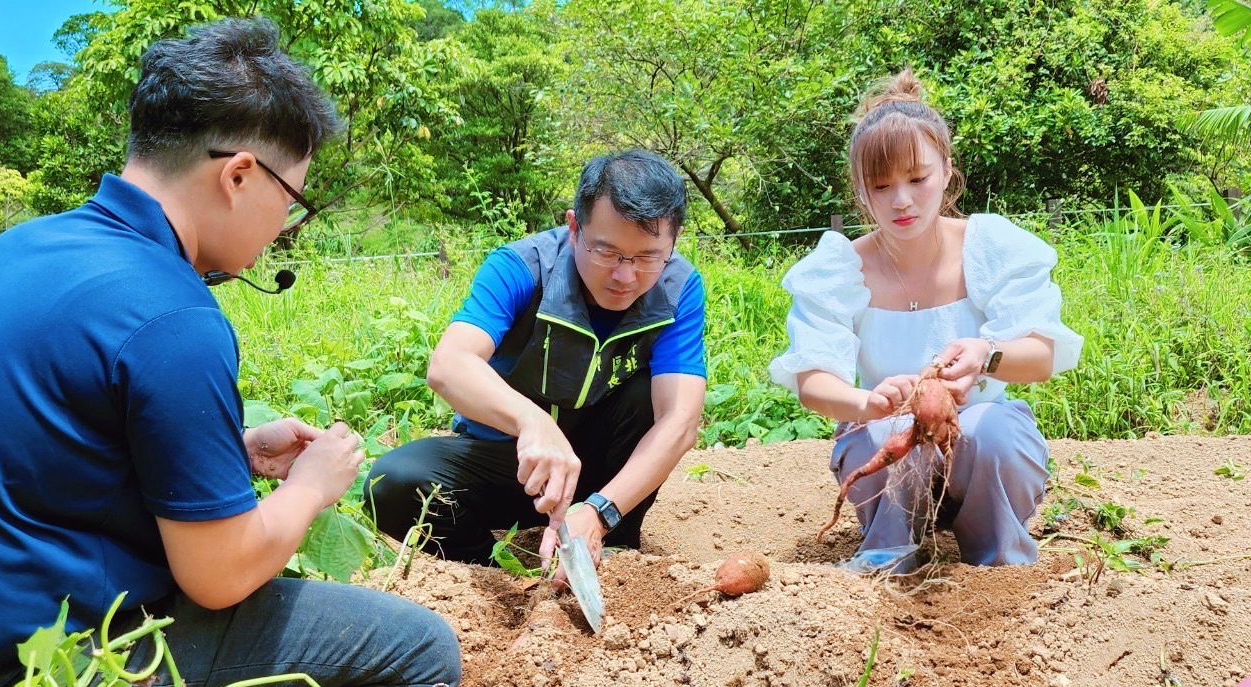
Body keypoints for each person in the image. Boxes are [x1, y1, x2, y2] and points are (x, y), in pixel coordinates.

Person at [0, 18, 459, 687]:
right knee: (422, 655)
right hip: (48, 674)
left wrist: (236, 454)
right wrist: (310, 490)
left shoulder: (19, 247)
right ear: (238, 175)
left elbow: (47, 456)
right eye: (293, 204)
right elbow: (218, 575)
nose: (285, 229)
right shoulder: (173, 316)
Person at [769, 69, 1083, 572]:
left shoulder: (990, 248)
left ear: (947, 169)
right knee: (873, 434)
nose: (901, 200)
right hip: (890, 448)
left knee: (995, 430)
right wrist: (866, 402)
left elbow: (1042, 356)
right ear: (860, 190)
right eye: (881, 185)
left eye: (918, 179)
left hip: (979, 448)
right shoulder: (837, 268)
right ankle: (890, 554)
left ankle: (998, 559)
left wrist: (988, 355)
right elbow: (813, 381)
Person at [368, 149, 707, 583]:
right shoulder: (522, 267)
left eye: (647, 257)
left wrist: (602, 510)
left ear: (673, 242)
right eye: (607, 251)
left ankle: (613, 545)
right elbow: (449, 364)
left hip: (600, 474)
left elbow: (680, 420)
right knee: (391, 482)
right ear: (573, 228)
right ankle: (495, 569)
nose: (625, 276)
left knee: (649, 397)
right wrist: (532, 422)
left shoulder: (679, 288)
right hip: (510, 463)